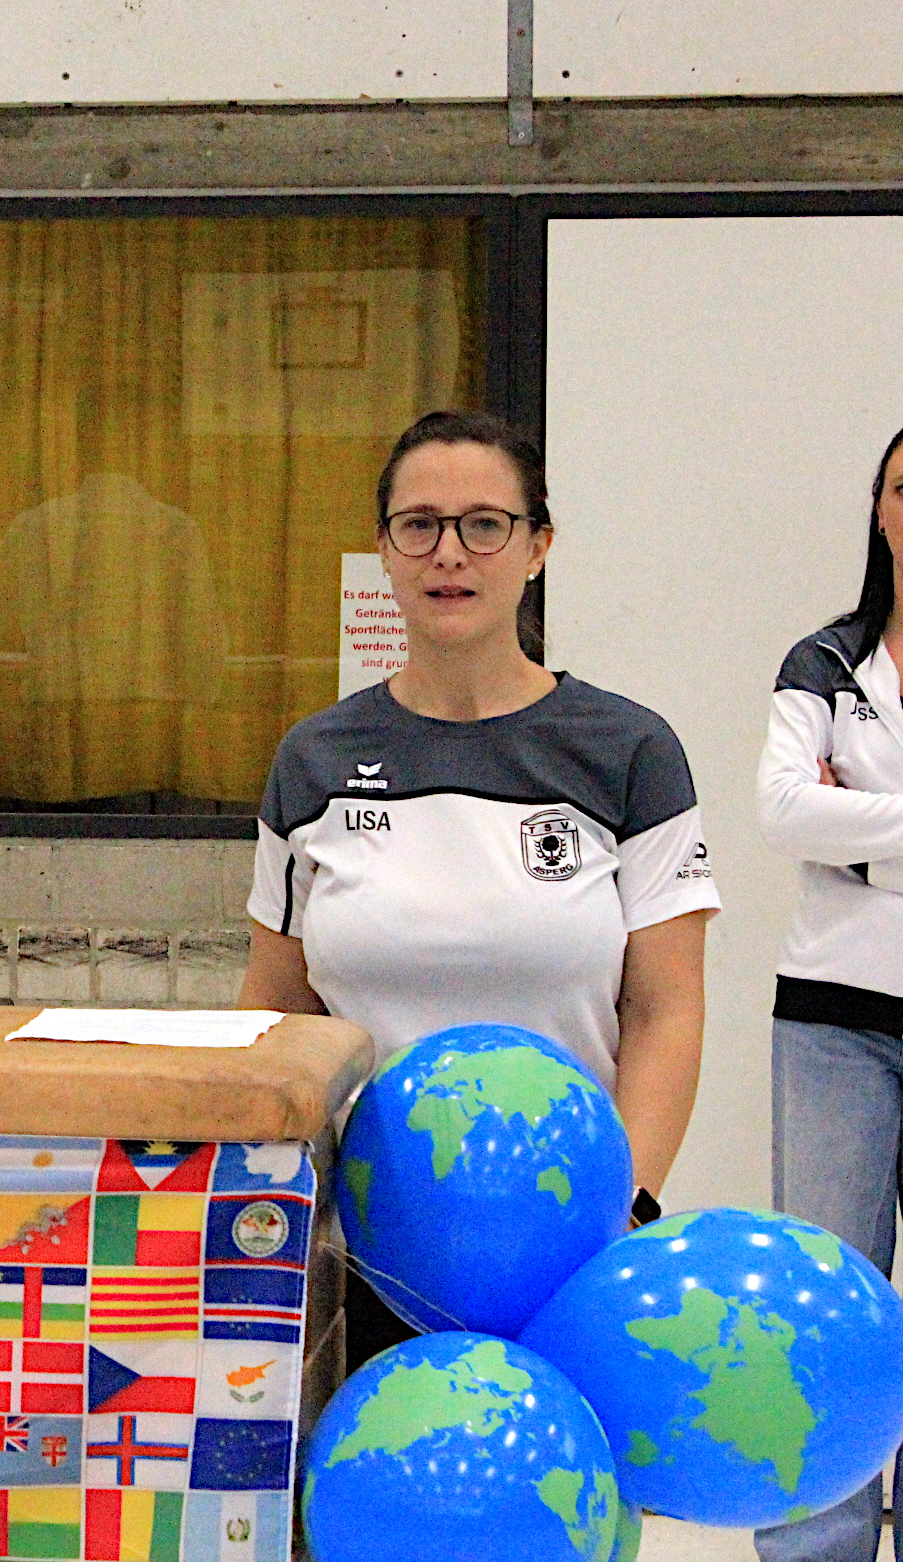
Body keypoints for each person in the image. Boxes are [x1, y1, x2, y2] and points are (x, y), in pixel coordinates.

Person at [239, 410, 717, 1363]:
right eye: (418, 525)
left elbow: (665, 1009)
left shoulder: (630, 752)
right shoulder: (315, 760)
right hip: (354, 1248)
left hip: (568, 1250)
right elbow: (275, 1008)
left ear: (538, 547)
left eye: (484, 524)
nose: (449, 553)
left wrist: (621, 1212)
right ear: (385, 550)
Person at [753, 425, 903, 1562]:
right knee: (820, 1313)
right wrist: (833, 829)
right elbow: (781, 811)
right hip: (835, 1020)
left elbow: (825, 822)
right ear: (880, 510)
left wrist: (863, 847)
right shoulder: (826, 661)